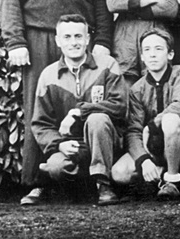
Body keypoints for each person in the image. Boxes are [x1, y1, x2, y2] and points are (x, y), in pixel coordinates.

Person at [0, 0, 113, 205]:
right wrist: (16, 41)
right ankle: (37, 181)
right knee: (39, 109)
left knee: (87, 105)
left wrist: (102, 41)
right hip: (40, 39)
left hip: (80, 42)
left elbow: (101, 3)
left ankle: (92, 179)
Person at [32, 14, 125, 205]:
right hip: (72, 145)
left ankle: (103, 184)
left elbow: (119, 105)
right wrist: (59, 144)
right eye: (67, 37)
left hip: (106, 141)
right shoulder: (48, 75)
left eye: (78, 36)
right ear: (58, 41)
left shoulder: (107, 65)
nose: (73, 42)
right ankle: (83, 188)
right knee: (56, 167)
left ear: (88, 39)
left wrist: (79, 112)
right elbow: (41, 124)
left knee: (97, 119)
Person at [111, 28, 180, 199]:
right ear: (142, 57)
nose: (152, 55)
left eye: (158, 49)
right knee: (119, 173)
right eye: (147, 50)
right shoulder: (137, 89)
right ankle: (157, 176)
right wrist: (144, 160)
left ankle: (172, 180)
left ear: (170, 54)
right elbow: (134, 131)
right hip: (152, 146)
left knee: (170, 120)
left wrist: (151, 125)